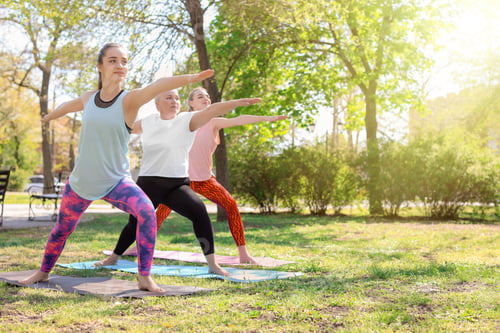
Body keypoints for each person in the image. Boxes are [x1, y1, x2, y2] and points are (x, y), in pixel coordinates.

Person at [19, 43, 214, 292]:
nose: (120, 66)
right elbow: (68, 105)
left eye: (124, 61)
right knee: (61, 230)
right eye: (112, 61)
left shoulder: (129, 99)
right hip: (82, 182)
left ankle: (145, 276)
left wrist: (192, 78)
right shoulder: (89, 98)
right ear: (100, 66)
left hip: (116, 181)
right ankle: (43, 272)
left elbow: (158, 85)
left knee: (146, 212)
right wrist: (50, 117)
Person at [95, 89, 261, 275]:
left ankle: (213, 265)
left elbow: (212, 110)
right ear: (157, 104)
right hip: (149, 184)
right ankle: (114, 257)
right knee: (135, 224)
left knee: (200, 213)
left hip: (177, 185)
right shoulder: (149, 121)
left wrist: (236, 102)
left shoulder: (187, 121)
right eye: (168, 97)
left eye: (176, 98)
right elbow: (123, 127)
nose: (174, 101)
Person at [155, 87, 288, 264]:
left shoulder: (213, 122)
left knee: (231, 205)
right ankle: (140, 245)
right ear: (191, 103)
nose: (206, 99)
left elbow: (239, 119)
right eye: (200, 96)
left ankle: (243, 254)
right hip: (182, 181)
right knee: (161, 212)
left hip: (204, 180)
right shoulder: (182, 121)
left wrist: (268, 118)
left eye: (207, 96)